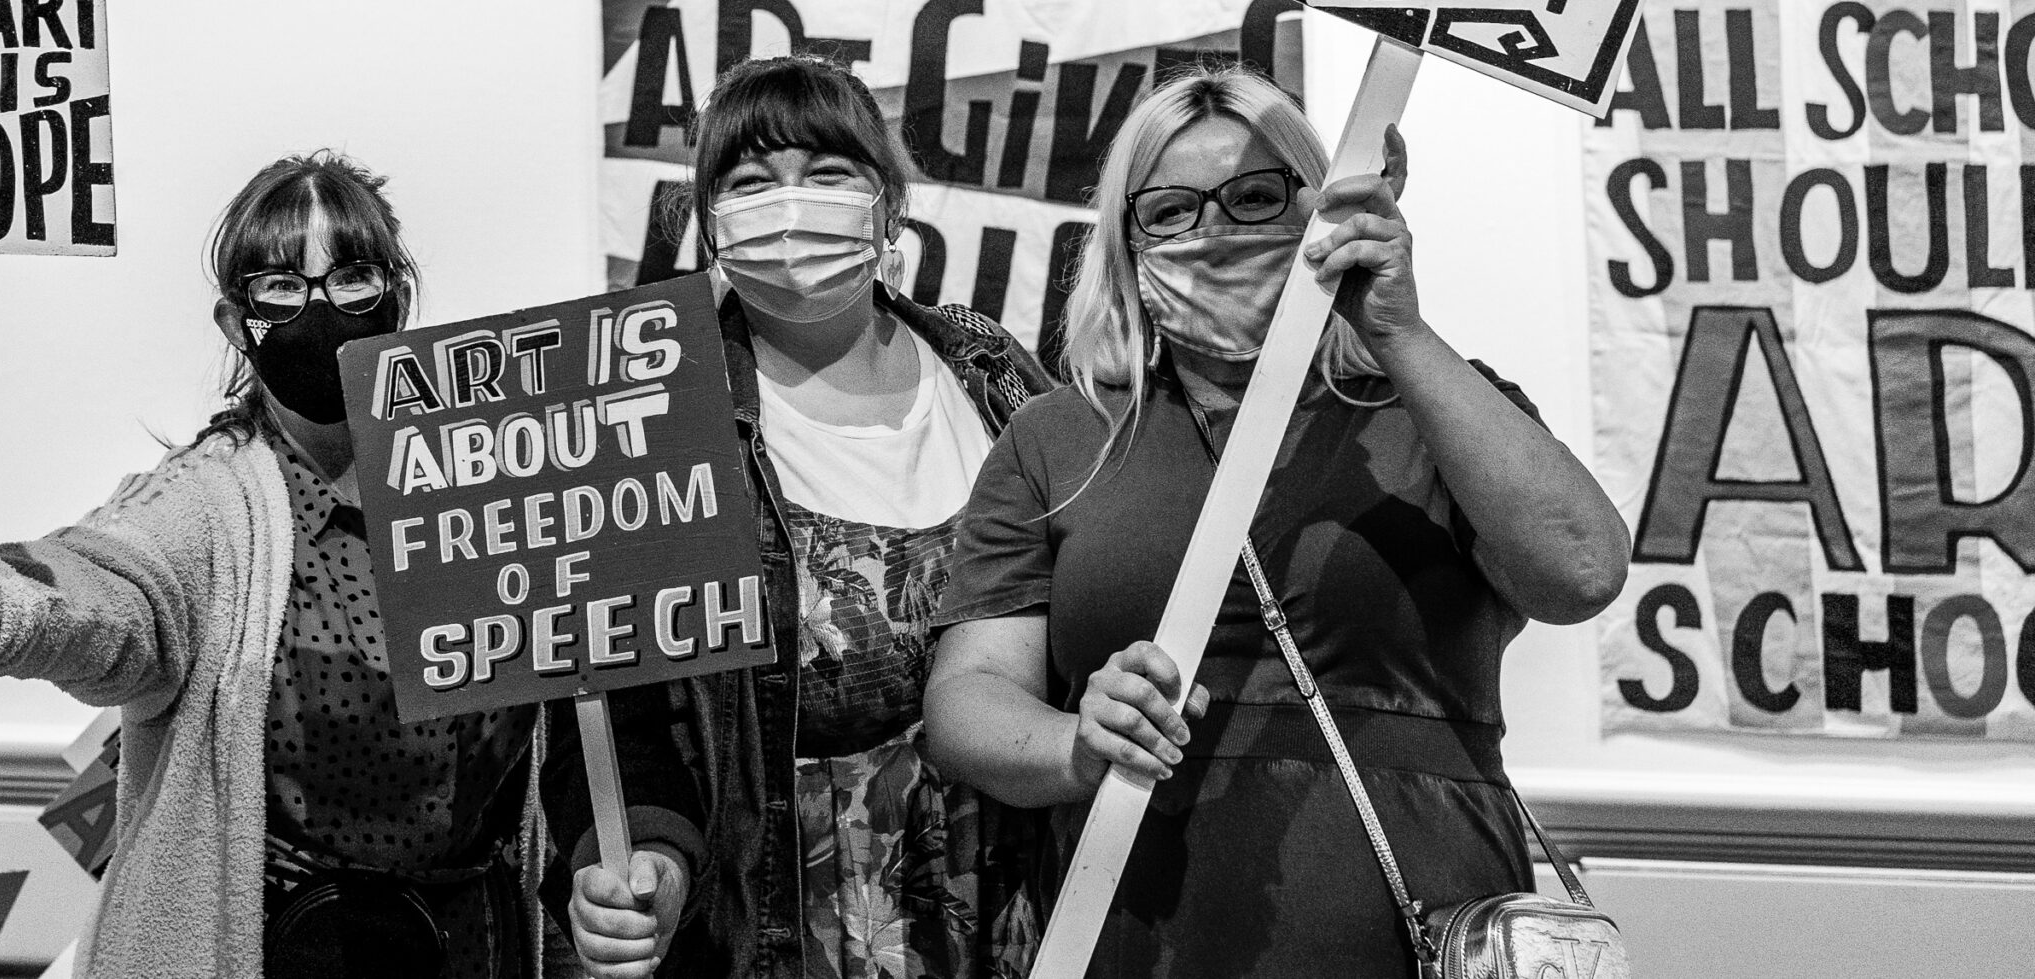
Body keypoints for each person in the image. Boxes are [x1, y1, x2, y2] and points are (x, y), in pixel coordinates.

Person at [922, 65, 1631, 978]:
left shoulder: (1432, 406)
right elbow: (967, 695)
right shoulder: (1062, 436)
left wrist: (1398, 332)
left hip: (1417, 922)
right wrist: (1073, 742)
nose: (1216, 230)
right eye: (1172, 210)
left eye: (1256, 197)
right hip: (1139, 927)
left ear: (1319, 212)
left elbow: (1582, 570)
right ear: (1126, 243)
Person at [0, 152, 545, 979]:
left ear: (395, 302)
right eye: (280, 287)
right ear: (236, 323)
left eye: (351, 279)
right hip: (270, 950)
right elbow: (115, 594)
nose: (319, 307)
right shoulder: (208, 502)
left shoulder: (487, 485)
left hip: (473, 951)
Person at [559, 56, 1055, 979]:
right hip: (790, 930)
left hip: (1022, 910)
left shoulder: (984, 366)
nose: (791, 206)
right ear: (708, 223)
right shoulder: (657, 411)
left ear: (887, 203)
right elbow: (623, 705)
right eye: (751, 182)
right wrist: (641, 855)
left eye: (827, 174)